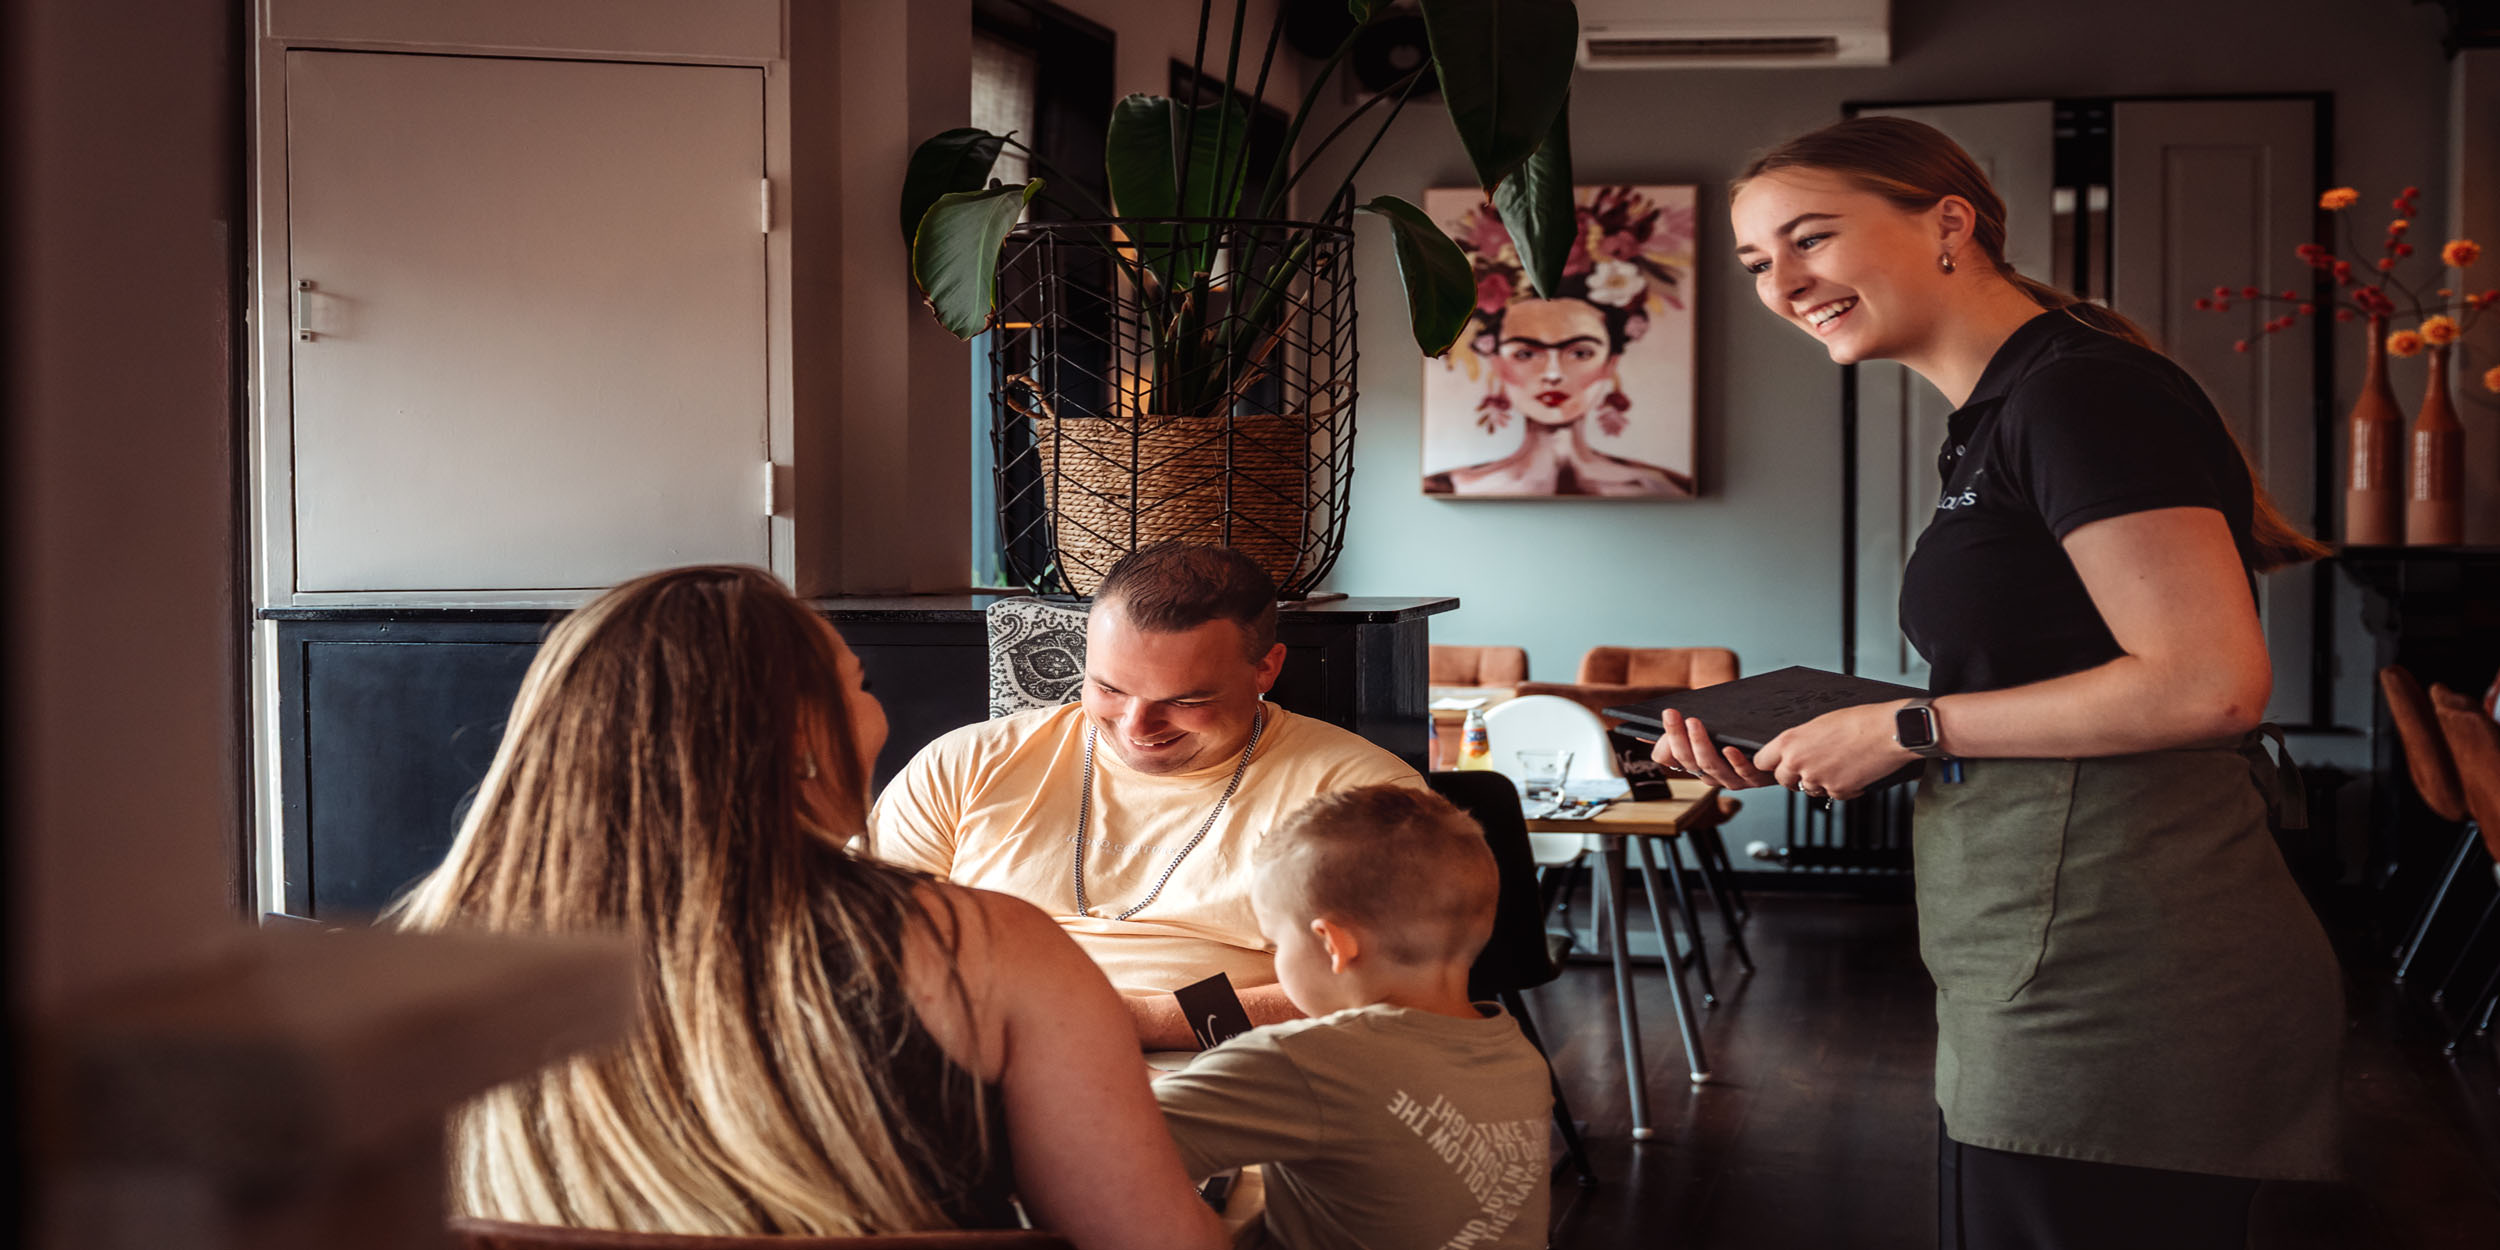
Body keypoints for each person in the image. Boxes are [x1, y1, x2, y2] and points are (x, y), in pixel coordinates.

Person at [1667, 117, 2341, 1246]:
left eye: (1810, 238)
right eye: (1755, 263)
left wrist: (1905, 726)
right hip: (2058, 951)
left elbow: (2208, 684)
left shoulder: (2081, 394)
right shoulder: (2007, 409)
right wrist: (1837, 731)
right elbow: (2047, 675)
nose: (1782, 284)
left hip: (2125, 971)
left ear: (1949, 222)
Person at [392, 565, 1223, 1249]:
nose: (874, 713)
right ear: (798, 737)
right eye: (858, 685)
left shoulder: (416, 963)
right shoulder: (983, 946)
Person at [871, 542, 1424, 1051]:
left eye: (1185, 700)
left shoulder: (1362, 797)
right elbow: (867, 938)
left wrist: (1134, 1022)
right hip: (970, 1048)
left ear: (1266, 668)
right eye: (1109, 688)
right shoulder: (966, 763)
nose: (1137, 726)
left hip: (1221, 1065)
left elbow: (1387, 987)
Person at [1153, 784, 1552, 1250]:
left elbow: (1116, 1147)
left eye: (1277, 943)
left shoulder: (1299, 1062)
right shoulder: (1518, 1057)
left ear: (1333, 944)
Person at [1425, 188, 1694, 497]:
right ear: (1496, 361)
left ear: (1611, 361)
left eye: (1580, 352)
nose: (1553, 373)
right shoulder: (1448, 486)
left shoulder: (1662, 487)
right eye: (1526, 353)